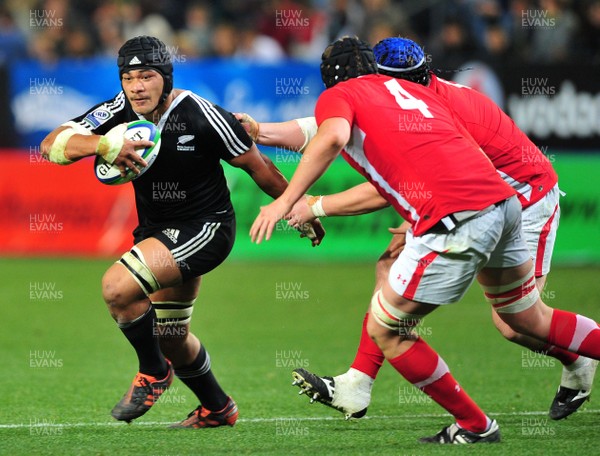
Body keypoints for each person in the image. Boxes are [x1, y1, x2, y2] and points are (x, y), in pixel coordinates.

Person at [249, 36, 600, 444]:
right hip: (494, 200)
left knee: (509, 324)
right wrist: (259, 130)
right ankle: (358, 383)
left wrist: (308, 204)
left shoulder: (410, 100)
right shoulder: (409, 94)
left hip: (523, 195)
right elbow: (327, 130)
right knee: (518, 316)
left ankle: (477, 421)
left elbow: (337, 140)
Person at [40, 35, 324, 429]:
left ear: (166, 78)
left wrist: (302, 206)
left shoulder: (202, 115)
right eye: (128, 77)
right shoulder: (118, 111)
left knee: (117, 289)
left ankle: (153, 372)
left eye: (146, 76)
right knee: (171, 334)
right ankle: (217, 408)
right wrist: (103, 144)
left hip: (206, 228)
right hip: (156, 232)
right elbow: (50, 145)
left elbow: (260, 168)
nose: (136, 86)